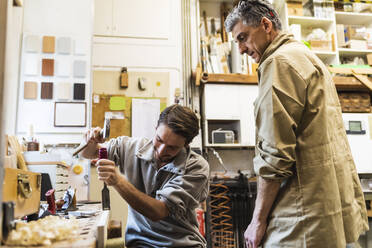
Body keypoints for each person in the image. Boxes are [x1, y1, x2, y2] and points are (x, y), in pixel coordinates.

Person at [225, 1, 368, 247]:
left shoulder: (278, 63)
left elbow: (275, 154)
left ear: (266, 25)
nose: (240, 49)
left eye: (243, 38)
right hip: (324, 206)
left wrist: (257, 221)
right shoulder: (304, 55)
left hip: (301, 215)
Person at [81, 104, 209, 248]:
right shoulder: (131, 147)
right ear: (156, 129)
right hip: (139, 244)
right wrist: (90, 141)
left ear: (186, 145)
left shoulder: (196, 167)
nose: (161, 151)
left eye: (172, 147)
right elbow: (87, 153)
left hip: (180, 245)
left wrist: (118, 182)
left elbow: (158, 212)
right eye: (159, 139)